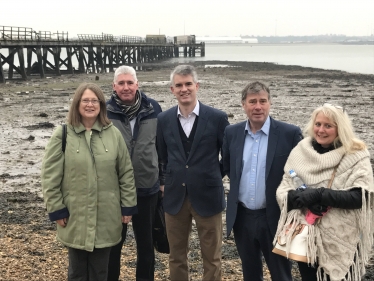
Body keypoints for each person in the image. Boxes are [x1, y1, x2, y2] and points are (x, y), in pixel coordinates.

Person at [41, 82, 137, 281]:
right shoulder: (63, 134)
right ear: (77, 104)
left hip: (107, 216)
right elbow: (50, 176)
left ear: (101, 105)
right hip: (75, 215)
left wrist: (128, 205)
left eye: (95, 101)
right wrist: (56, 208)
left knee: (100, 272)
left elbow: (126, 173)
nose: (90, 104)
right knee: (77, 272)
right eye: (85, 100)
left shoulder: (113, 134)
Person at [275, 103, 374, 281]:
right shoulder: (300, 151)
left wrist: (320, 194)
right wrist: (302, 198)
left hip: (343, 239)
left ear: (340, 128)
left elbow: (362, 196)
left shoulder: (356, 154)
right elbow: (284, 190)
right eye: (318, 124)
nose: (321, 130)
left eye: (328, 126)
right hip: (307, 237)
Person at [222, 81, 302, 281]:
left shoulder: (289, 133)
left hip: (275, 216)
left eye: (262, 101)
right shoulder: (232, 133)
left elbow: (299, 172)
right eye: (252, 102)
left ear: (270, 103)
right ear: (243, 104)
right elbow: (228, 167)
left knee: (281, 274)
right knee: (250, 273)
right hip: (243, 216)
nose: (258, 106)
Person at [156, 65, 229, 281]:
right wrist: (165, 182)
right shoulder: (164, 119)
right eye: (179, 85)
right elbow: (162, 155)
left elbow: (228, 155)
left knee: (212, 257)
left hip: (209, 196)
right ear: (172, 90)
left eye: (188, 84)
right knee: (176, 256)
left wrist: (214, 176)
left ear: (196, 86)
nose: (184, 89)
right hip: (174, 198)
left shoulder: (217, 118)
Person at [106, 65, 164, 281]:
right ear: (114, 86)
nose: (126, 87)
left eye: (130, 82)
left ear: (137, 84)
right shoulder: (105, 111)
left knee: (146, 245)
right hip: (114, 189)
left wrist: (163, 181)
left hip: (147, 186)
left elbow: (161, 148)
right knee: (113, 244)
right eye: (121, 83)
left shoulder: (153, 108)